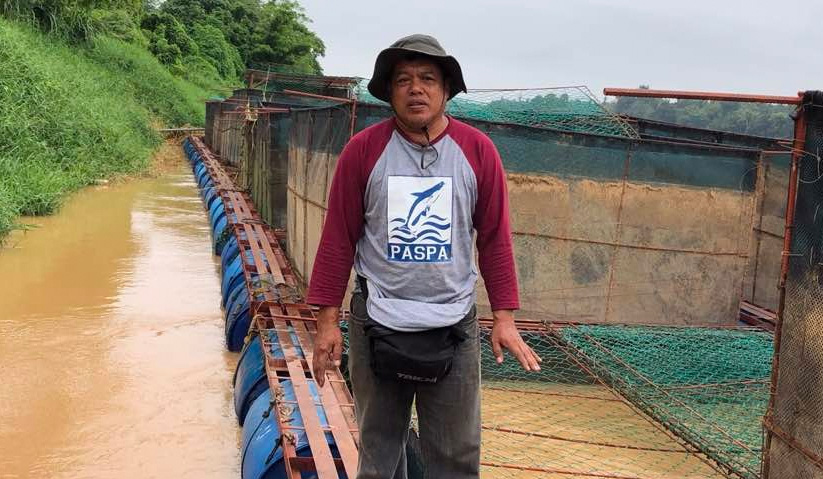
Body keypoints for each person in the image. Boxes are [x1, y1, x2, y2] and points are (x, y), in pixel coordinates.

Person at [307, 33, 541, 479]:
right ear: (390, 92)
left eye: (428, 79)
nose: (416, 89)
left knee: (455, 454)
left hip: (453, 324)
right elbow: (338, 237)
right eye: (404, 80)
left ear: (446, 90)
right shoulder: (364, 151)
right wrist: (325, 323)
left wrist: (505, 317)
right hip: (377, 322)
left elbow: (493, 238)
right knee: (378, 451)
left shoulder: (476, 151)